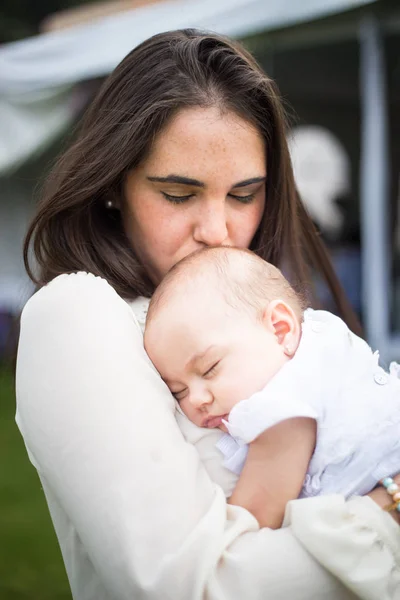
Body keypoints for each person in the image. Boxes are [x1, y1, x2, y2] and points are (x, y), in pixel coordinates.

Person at [16, 29, 399, 600]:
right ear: (113, 185)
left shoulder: (252, 304)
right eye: (178, 194)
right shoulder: (77, 313)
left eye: (244, 195)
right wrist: (388, 514)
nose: (218, 232)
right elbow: (189, 588)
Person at [144, 246, 400, 530]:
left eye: (209, 368)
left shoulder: (283, 410)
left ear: (281, 329)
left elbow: (249, 527)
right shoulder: (321, 338)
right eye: (178, 391)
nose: (197, 399)